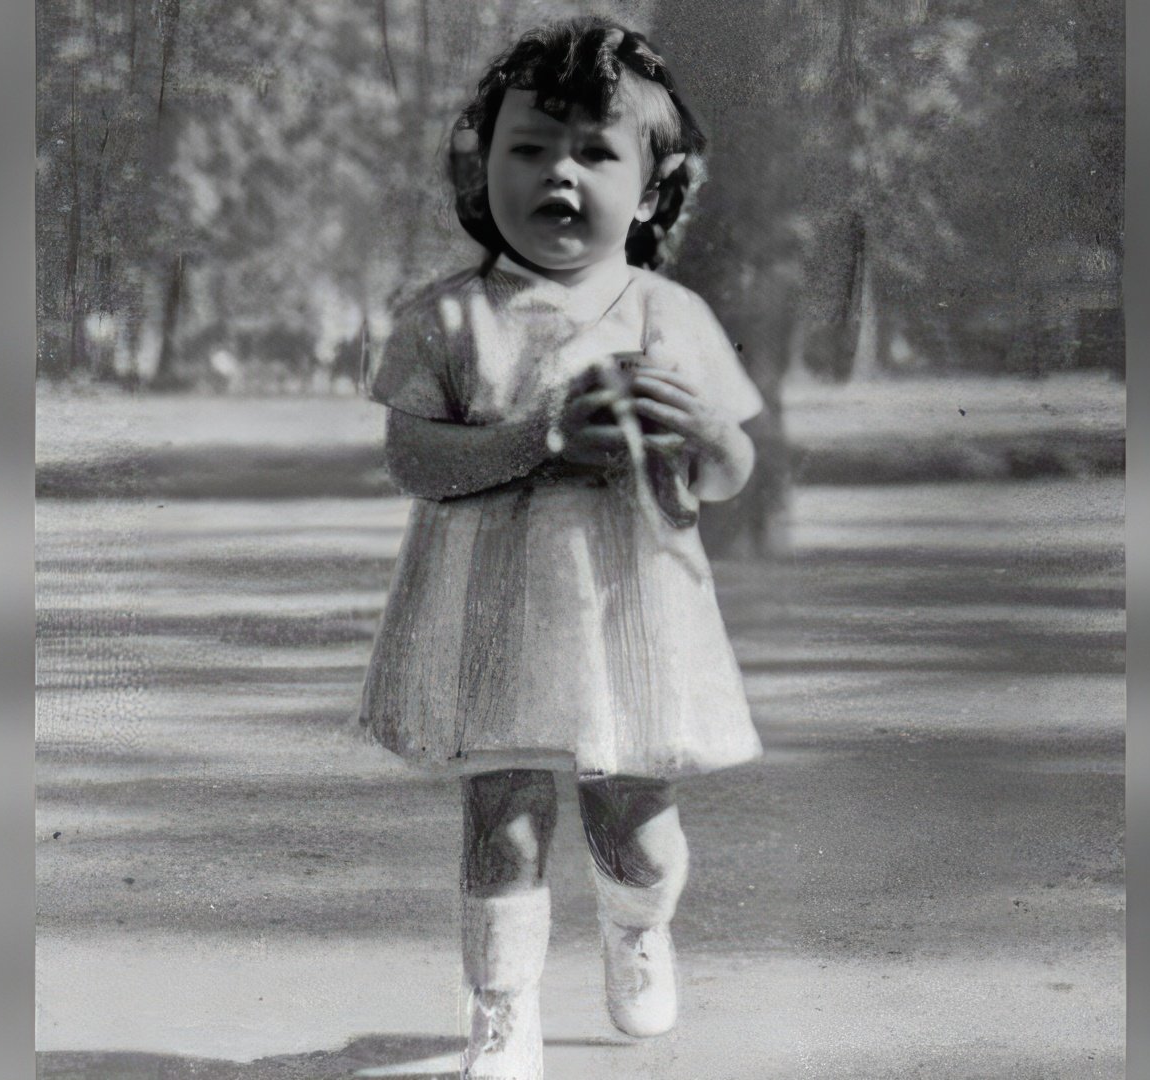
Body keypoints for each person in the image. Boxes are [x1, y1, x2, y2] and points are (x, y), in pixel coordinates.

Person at [358, 17, 763, 1080]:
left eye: (595, 151)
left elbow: (727, 477)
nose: (560, 175)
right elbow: (414, 459)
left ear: (656, 183)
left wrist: (706, 435)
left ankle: (639, 923)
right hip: (487, 614)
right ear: (480, 166)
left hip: (630, 620)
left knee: (634, 821)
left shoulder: (668, 316)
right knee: (507, 816)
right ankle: (503, 1010)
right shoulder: (448, 321)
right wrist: (538, 435)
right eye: (530, 148)